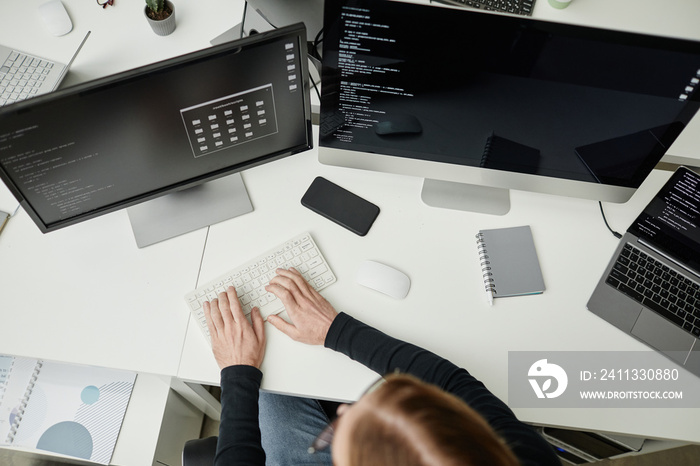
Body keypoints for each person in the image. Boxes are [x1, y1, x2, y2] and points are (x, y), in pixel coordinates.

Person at [203, 267, 560, 465]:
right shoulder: (522, 456)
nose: (344, 407)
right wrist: (335, 329)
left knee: (274, 393)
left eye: (346, 428)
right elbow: (450, 383)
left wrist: (237, 372)